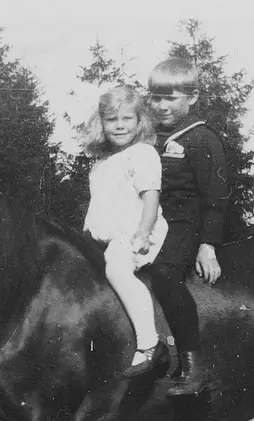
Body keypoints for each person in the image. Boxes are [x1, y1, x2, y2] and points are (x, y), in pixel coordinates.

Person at [146, 58, 232, 396]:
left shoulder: (201, 138)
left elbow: (216, 195)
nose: (162, 105)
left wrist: (208, 243)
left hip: (187, 224)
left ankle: (194, 366)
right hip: (156, 223)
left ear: (192, 98)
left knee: (165, 274)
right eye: (155, 97)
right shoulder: (150, 138)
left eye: (171, 97)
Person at [79, 84, 171, 379]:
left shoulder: (142, 153)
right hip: (105, 238)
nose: (119, 126)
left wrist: (143, 232)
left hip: (137, 233)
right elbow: (99, 208)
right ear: (101, 123)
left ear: (139, 121)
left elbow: (151, 197)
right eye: (111, 119)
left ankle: (149, 344)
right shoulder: (102, 164)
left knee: (118, 270)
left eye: (127, 119)